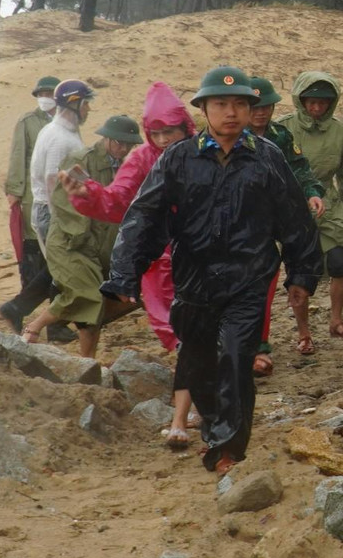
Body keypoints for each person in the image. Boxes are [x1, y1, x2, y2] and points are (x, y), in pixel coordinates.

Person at [104, 66, 323, 476]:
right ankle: (215, 427)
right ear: (204, 108)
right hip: (195, 281)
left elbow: (296, 220)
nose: (232, 112)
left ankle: (228, 449)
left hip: (249, 278)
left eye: (240, 103)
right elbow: (145, 218)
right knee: (200, 363)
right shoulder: (179, 159)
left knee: (238, 358)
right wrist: (124, 275)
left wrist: (302, 276)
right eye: (221, 104)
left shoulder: (267, 158)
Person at [69, 83, 196, 446]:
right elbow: (118, 200)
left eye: (168, 131)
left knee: (201, 330)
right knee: (171, 328)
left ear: (184, 127)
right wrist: (88, 192)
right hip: (158, 258)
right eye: (154, 133)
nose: (162, 139)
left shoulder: (203, 152)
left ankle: (189, 410)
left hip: (203, 253)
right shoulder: (142, 158)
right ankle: (195, 403)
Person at [21, 115, 140, 356]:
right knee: (87, 297)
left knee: (100, 304)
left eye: (129, 144)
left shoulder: (127, 168)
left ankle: (84, 360)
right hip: (70, 244)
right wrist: (82, 239)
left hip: (102, 247)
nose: (124, 148)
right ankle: (35, 329)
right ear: (106, 138)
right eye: (119, 142)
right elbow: (65, 203)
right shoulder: (81, 161)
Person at [285, 71, 343, 347]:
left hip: (329, 208)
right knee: (299, 273)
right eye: (311, 102)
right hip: (293, 211)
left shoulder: (338, 131)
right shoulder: (284, 129)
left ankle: (336, 320)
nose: (317, 108)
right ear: (301, 100)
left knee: (339, 263)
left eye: (323, 102)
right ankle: (303, 333)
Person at [248, 75, 324, 373]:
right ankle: (259, 343)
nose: (261, 112)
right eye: (254, 106)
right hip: (249, 223)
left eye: (266, 106)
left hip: (283, 218)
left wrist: (313, 193)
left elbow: (300, 169)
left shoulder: (280, 137)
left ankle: (300, 333)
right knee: (258, 281)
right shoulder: (231, 138)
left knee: (294, 277)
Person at [13, 79, 94, 342]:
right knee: (65, 270)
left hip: (58, 209)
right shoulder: (59, 136)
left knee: (59, 269)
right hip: (54, 211)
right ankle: (49, 325)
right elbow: (52, 180)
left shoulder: (63, 131)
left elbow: (73, 171)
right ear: (76, 104)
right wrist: (62, 218)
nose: (89, 109)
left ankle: (21, 311)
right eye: (86, 104)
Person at [1, 76, 61, 328]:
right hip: (30, 199)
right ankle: (23, 313)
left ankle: (54, 319)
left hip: (57, 200)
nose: (45, 96)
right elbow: (18, 156)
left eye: (50, 92)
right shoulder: (28, 122)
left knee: (55, 257)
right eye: (42, 93)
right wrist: (14, 191)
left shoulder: (65, 122)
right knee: (32, 256)